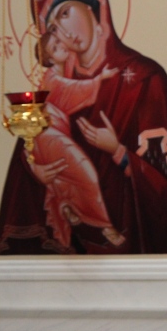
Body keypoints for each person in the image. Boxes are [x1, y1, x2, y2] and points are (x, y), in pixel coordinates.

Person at [0, 0, 167, 255]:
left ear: (95, 4)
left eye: (65, 13)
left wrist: (118, 151)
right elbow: (30, 150)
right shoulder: (52, 92)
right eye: (53, 27)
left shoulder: (145, 80)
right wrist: (35, 172)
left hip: (132, 252)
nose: (64, 32)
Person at [34, 30, 125, 248]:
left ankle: (66, 205)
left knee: (69, 176)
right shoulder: (52, 80)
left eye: (58, 41)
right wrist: (99, 79)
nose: (61, 46)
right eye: (55, 48)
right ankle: (105, 226)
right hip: (48, 136)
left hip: (56, 134)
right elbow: (73, 89)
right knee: (87, 174)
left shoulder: (65, 66)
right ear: (49, 60)